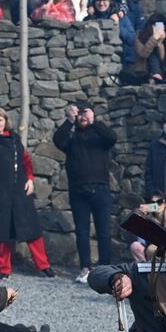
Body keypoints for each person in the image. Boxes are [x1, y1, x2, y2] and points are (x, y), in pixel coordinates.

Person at [0, 107, 54, 279]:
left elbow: (25, 160)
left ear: (6, 121)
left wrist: (29, 178)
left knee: (31, 228)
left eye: (0, 119)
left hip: (19, 189)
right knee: (1, 231)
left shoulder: (14, 139)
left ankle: (43, 265)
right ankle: (4, 270)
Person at [53, 101, 117, 282]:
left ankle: (105, 267)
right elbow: (58, 141)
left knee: (103, 230)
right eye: (79, 113)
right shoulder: (71, 139)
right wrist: (69, 121)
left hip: (101, 188)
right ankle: (85, 267)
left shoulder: (99, 137)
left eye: (85, 113)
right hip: (78, 190)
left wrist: (93, 120)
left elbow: (111, 138)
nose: (82, 116)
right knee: (82, 231)